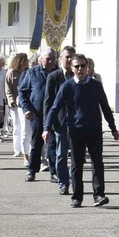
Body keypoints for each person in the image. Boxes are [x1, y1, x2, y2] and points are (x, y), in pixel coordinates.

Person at [44, 54, 119, 208]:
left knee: (97, 162)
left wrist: (113, 128)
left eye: (83, 65)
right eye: (77, 66)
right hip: (75, 130)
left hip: (94, 130)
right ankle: (77, 196)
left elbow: (105, 107)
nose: (80, 69)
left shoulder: (96, 85)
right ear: (72, 69)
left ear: (88, 67)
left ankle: (99, 194)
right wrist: (47, 128)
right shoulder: (67, 86)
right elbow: (54, 108)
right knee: (77, 164)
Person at [19, 48, 57, 182]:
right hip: (37, 113)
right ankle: (32, 170)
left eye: (53, 58)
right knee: (36, 143)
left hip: (54, 114)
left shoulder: (58, 73)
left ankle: (54, 172)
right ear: (41, 59)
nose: (51, 61)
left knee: (52, 144)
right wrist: (26, 109)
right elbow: (22, 92)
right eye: (48, 58)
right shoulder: (32, 73)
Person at [44, 46, 77, 193]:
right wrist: (47, 125)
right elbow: (48, 102)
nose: (69, 60)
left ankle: (75, 182)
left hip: (77, 122)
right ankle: (63, 183)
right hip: (60, 122)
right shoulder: (54, 76)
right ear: (61, 59)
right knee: (61, 155)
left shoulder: (79, 76)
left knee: (77, 157)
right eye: (67, 57)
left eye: (72, 57)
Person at [6, 53, 31, 166]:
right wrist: (10, 99)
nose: (28, 61)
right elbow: (7, 88)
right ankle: (19, 150)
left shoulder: (29, 72)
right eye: (26, 60)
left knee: (25, 128)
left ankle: (28, 151)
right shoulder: (11, 72)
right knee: (18, 126)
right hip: (15, 104)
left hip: (25, 103)